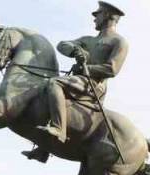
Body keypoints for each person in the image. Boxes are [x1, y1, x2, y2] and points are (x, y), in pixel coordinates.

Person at [34, 2, 128, 148]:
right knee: (46, 92)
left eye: (98, 14)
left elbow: (112, 69)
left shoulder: (119, 42)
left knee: (55, 83)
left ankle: (59, 129)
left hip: (95, 85)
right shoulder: (88, 40)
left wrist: (86, 69)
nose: (95, 18)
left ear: (108, 16)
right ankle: (43, 149)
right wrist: (75, 51)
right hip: (79, 81)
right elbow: (62, 44)